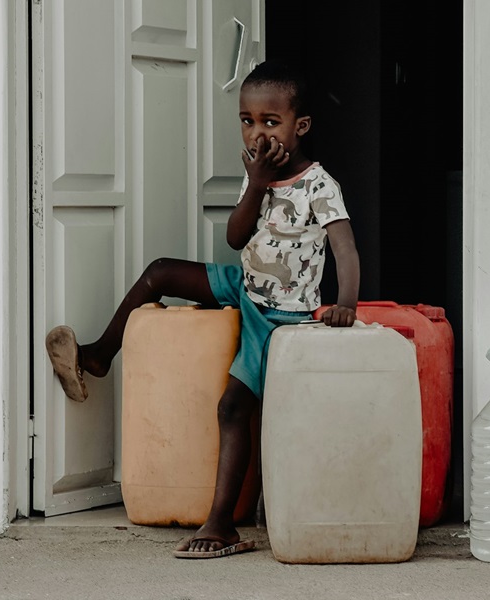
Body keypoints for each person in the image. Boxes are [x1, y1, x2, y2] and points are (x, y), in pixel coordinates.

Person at [45, 60, 360, 559]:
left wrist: (344, 305)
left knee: (233, 407)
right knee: (161, 272)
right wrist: (255, 184)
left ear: (300, 127)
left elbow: (344, 248)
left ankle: (222, 524)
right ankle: (100, 354)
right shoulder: (257, 174)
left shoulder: (320, 185)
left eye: (270, 122)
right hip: (246, 284)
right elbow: (237, 238)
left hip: (282, 313)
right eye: (247, 120)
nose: (257, 132)